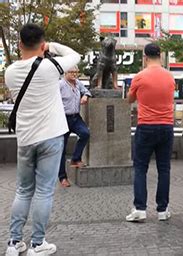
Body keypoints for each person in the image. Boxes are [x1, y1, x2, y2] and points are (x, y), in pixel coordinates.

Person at [4, 24, 80, 256]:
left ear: (19, 44)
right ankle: (38, 244)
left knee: (23, 190)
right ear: (42, 43)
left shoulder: (9, 72)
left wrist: (41, 48)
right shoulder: (50, 67)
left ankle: (13, 243)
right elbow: (76, 56)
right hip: (51, 136)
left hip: (26, 138)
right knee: (44, 192)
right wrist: (52, 47)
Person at [126, 43, 175, 222]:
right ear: (160, 56)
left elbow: (129, 99)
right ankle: (163, 210)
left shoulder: (139, 77)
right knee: (164, 169)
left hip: (146, 125)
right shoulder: (170, 77)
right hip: (167, 126)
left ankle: (140, 208)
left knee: (140, 167)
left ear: (144, 57)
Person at [58, 65, 92, 188]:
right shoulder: (60, 85)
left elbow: (88, 91)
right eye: (71, 72)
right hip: (62, 119)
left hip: (75, 117)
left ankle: (75, 158)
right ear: (65, 73)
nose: (74, 74)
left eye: (76, 72)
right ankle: (62, 177)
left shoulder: (78, 83)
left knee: (85, 133)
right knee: (61, 148)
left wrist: (85, 95)